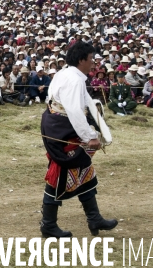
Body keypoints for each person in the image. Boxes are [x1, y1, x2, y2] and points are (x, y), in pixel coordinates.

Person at [40, 41, 117, 238]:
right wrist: (90, 136)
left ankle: (94, 218)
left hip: (60, 125)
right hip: (63, 130)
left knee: (84, 168)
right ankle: (48, 225)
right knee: (60, 173)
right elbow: (74, 110)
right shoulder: (73, 80)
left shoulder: (65, 74)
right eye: (91, 59)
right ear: (81, 59)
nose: (94, 63)